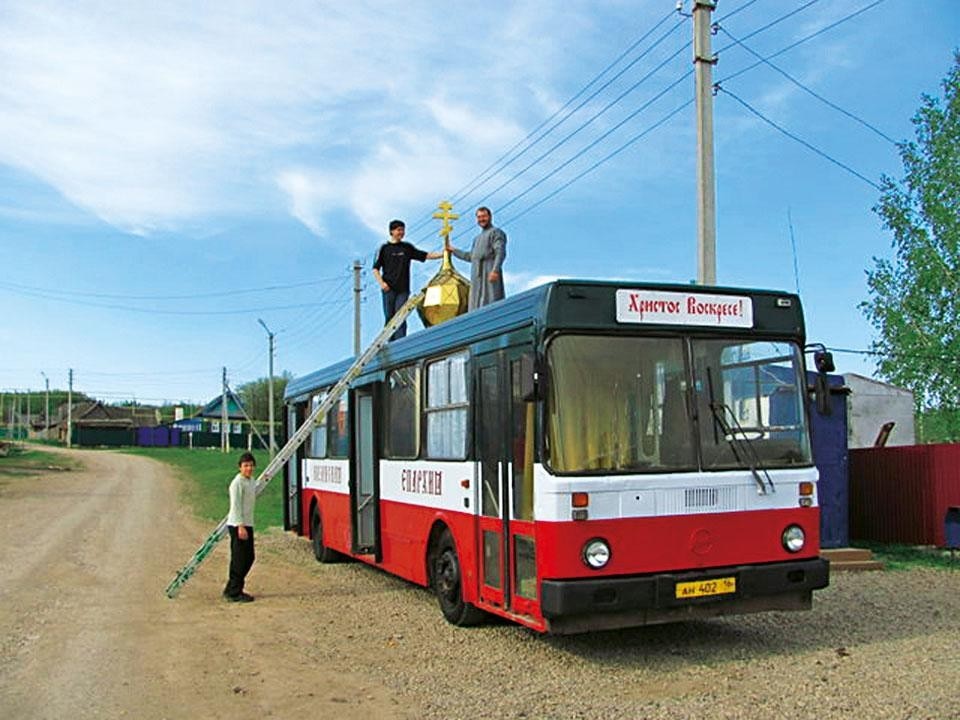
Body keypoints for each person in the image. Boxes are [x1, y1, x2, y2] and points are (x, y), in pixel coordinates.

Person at [372, 219, 443, 340]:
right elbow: (375, 269)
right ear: (392, 231)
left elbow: (425, 255)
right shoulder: (384, 248)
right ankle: (389, 341)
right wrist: (382, 284)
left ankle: (400, 340)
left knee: (401, 315)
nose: (401, 232)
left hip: (403, 289)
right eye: (399, 230)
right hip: (389, 288)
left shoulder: (406, 248)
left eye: (403, 230)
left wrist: (443, 254)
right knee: (390, 316)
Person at [446, 206, 506, 310]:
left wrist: (495, 270)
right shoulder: (476, 239)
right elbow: (471, 256)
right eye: (479, 217)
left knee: (491, 301)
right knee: (476, 304)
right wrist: (454, 251)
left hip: (489, 271)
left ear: (490, 217)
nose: (481, 219)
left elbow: (500, 252)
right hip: (477, 277)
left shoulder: (496, 232)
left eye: (484, 216)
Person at [223, 452, 257, 603]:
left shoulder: (251, 481)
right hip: (238, 525)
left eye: (250, 465)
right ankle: (234, 592)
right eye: (245, 466)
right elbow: (235, 506)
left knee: (249, 557)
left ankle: (232, 587)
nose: (248, 468)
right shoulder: (237, 483)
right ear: (240, 467)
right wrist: (240, 526)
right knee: (239, 559)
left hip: (248, 523)